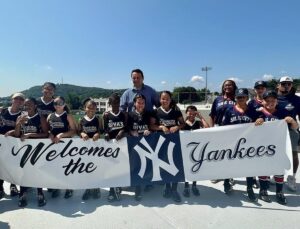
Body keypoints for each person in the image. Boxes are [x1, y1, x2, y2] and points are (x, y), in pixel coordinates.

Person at [255, 91, 298, 205]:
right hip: (263, 147)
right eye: (267, 100)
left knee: (279, 170)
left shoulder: (283, 112)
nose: (270, 102)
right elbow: (251, 128)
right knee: (263, 169)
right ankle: (263, 191)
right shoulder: (259, 113)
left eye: (273, 100)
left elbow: (295, 127)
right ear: (263, 101)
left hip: (279, 146)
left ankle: (279, 192)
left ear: (276, 101)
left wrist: (292, 120)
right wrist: (257, 122)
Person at [222, 88, 258, 202]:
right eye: (238, 97)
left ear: (247, 98)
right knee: (229, 163)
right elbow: (224, 126)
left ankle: (249, 188)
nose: (241, 99)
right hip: (233, 142)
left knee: (248, 166)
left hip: (248, 143)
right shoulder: (229, 110)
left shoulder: (252, 110)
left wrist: (260, 120)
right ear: (235, 98)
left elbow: (260, 121)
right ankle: (226, 182)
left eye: (243, 97)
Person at [150, 91, 185, 203]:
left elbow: (183, 123)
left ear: (170, 100)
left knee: (175, 165)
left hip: (174, 142)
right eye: (162, 99)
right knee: (164, 165)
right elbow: (151, 126)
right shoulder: (156, 111)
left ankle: (174, 190)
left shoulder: (175, 110)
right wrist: (161, 127)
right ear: (160, 100)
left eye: (167, 99)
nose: (164, 101)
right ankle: (167, 186)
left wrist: (177, 127)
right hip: (161, 142)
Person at [15, 97, 49, 207]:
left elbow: (45, 134)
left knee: (37, 171)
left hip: (37, 149)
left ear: (35, 105)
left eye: (29, 104)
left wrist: (30, 135)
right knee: (24, 171)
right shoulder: (21, 117)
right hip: (24, 149)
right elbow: (16, 135)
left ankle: (40, 193)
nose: (27, 107)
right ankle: (22, 193)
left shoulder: (40, 117)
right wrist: (18, 124)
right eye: (25, 105)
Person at [47, 96, 77, 199]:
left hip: (66, 146)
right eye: (55, 103)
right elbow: (48, 130)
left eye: (60, 103)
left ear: (64, 104)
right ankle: (57, 187)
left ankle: (69, 187)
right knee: (55, 167)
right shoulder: (50, 116)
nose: (58, 105)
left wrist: (61, 135)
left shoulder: (68, 116)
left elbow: (74, 131)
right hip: (54, 146)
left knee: (67, 168)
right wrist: (50, 134)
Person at [209, 79, 237, 184]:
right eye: (226, 85)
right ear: (223, 87)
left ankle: (229, 175)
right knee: (218, 153)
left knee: (230, 153)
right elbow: (212, 115)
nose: (228, 87)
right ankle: (217, 174)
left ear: (234, 87)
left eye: (230, 85)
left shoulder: (237, 98)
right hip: (219, 128)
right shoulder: (218, 99)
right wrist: (211, 129)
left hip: (232, 129)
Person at [276, 76, 300, 192]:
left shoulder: (296, 99)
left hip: (291, 130)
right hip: (275, 131)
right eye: (284, 83)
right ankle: (276, 174)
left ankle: (291, 177)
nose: (286, 85)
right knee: (275, 153)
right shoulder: (272, 97)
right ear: (278, 85)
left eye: (289, 84)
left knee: (294, 155)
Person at [127, 94, 152, 201]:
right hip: (133, 144)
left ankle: (146, 183)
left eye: (143, 103)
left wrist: (149, 130)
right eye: (138, 102)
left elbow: (153, 127)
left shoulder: (148, 114)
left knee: (145, 165)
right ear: (134, 103)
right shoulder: (130, 114)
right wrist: (131, 131)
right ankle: (137, 189)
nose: (141, 104)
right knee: (136, 166)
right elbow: (126, 127)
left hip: (146, 144)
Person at [0, 92, 25, 199]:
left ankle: (13, 185)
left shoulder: (22, 115)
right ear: (12, 99)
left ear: (23, 102)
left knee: (13, 165)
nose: (18, 101)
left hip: (14, 143)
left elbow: (19, 132)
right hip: (1, 142)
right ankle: (0, 187)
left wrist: (11, 132)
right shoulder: (3, 110)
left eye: (21, 99)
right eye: (16, 98)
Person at [103, 93, 126, 202]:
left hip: (122, 145)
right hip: (111, 146)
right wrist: (106, 134)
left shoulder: (123, 115)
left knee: (120, 167)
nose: (115, 105)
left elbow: (126, 128)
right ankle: (112, 190)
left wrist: (122, 131)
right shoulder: (106, 115)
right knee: (111, 167)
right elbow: (105, 129)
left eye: (117, 103)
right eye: (113, 103)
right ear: (110, 104)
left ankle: (118, 186)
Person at [182, 105, 209, 197]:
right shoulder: (183, 123)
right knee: (186, 168)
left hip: (196, 149)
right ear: (186, 113)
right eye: (189, 112)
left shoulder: (198, 123)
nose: (191, 114)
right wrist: (186, 118)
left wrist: (200, 116)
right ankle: (186, 186)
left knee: (196, 167)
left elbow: (207, 127)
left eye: (193, 112)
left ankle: (194, 185)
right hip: (185, 149)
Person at [78, 99, 102, 200]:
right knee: (86, 169)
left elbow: (101, 130)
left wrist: (98, 133)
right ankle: (87, 188)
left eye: (93, 108)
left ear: (96, 109)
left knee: (96, 168)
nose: (91, 109)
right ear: (85, 108)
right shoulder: (81, 120)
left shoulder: (98, 119)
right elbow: (78, 131)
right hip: (85, 149)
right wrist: (82, 133)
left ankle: (96, 188)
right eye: (89, 107)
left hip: (96, 149)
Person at [247, 80, 267, 189]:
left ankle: (265, 178)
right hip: (255, 133)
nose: (260, 90)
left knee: (266, 155)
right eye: (258, 88)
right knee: (253, 156)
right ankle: (253, 178)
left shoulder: (270, 100)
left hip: (268, 133)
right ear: (255, 90)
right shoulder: (251, 103)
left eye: (262, 88)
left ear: (265, 89)